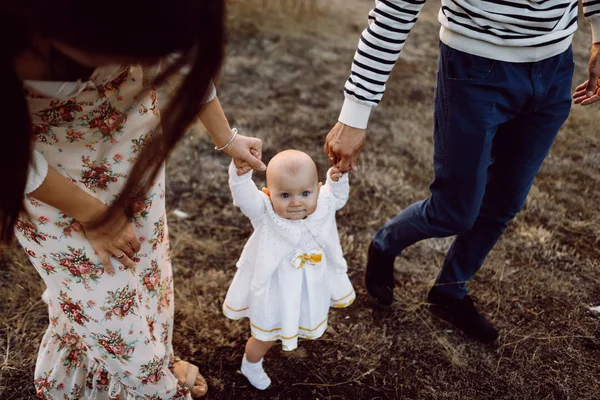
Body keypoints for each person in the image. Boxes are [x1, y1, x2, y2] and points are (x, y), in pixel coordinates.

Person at [1, 1, 266, 398]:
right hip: (43, 187)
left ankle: (154, 365)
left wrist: (225, 137)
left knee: (147, 278)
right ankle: (156, 386)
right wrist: (93, 215)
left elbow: (183, 60)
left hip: (131, 160)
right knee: (104, 308)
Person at [324, 0, 600, 342]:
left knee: (504, 203)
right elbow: (395, 9)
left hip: (555, 67)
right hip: (474, 68)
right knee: (453, 211)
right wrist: (355, 113)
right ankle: (385, 244)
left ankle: (450, 290)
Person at [222, 150, 355, 390]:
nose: (296, 202)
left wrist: (338, 178)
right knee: (265, 335)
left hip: (308, 283)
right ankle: (250, 364)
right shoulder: (265, 211)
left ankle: (293, 328)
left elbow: (338, 196)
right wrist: (241, 176)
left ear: (318, 188)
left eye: (305, 193)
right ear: (267, 194)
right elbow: (244, 198)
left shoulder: (324, 202)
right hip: (275, 287)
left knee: (301, 313)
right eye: (284, 195)